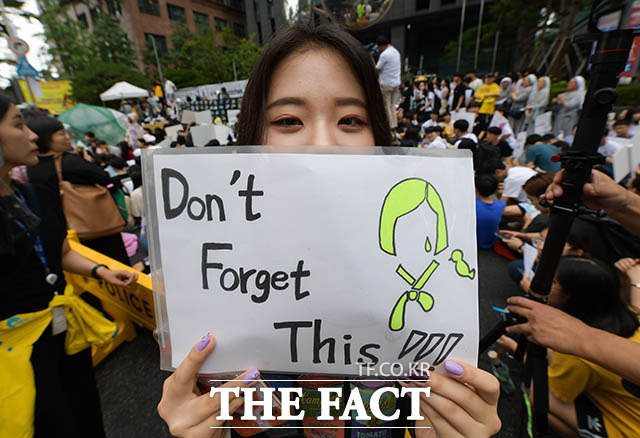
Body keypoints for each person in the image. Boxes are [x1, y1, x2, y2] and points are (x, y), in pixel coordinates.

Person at [160, 23, 502, 438]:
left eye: (350, 119)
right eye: (288, 120)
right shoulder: (215, 282)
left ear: (379, 136)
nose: (322, 144)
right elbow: (245, 420)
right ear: (252, 136)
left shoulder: (422, 278)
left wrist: (448, 426)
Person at [0, 95, 138, 436]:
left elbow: (59, 250)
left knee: (84, 409)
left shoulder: (29, 193)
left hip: (63, 331)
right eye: (18, 125)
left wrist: (101, 271)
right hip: (15, 352)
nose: (32, 135)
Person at [501, 256, 640, 438]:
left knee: (538, 395)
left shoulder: (575, 352)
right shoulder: (633, 316)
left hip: (630, 430)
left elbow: (557, 392)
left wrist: (515, 349)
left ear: (572, 296)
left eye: (553, 282)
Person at [25, 114, 131, 266]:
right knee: (115, 267)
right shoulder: (69, 162)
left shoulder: (32, 167)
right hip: (95, 228)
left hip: (65, 236)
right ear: (44, 138)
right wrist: (89, 163)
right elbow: (104, 178)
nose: (67, 137)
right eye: (61, 134)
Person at [375, 34, 401, 131]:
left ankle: (390, 126)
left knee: (386, 106)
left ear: (381, 45)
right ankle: (394, 124)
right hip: (396, 83)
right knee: (392, 105)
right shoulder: (396, 52)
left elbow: (377, 68)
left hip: (386, 83)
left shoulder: (384, 54)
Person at [475, 174, 506, 249]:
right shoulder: (501, 204)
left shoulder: (472, 204)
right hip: (491, 243)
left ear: (475, 189)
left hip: (475, 243)